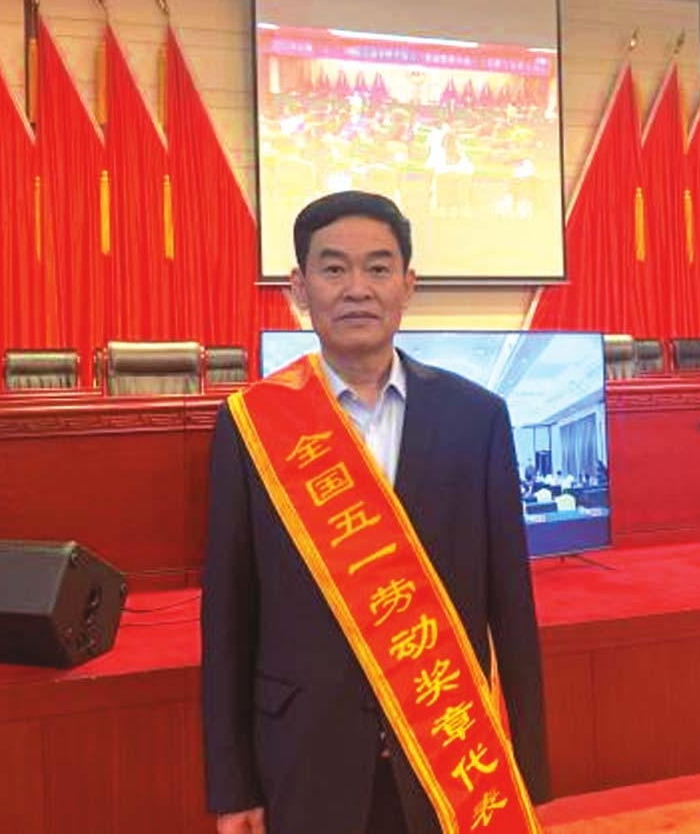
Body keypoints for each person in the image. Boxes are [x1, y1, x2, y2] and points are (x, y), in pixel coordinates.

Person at [201, 190, 549, 834]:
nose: (356, 288)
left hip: (448, 752)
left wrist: (523, 765)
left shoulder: (477, 419)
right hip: (305, 754)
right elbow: (228, 615)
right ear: (299, 287)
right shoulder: (251, 427)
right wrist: (232, 784)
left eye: (378, 268)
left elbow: (511, 604)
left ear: (407, 285)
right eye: (333, 268)